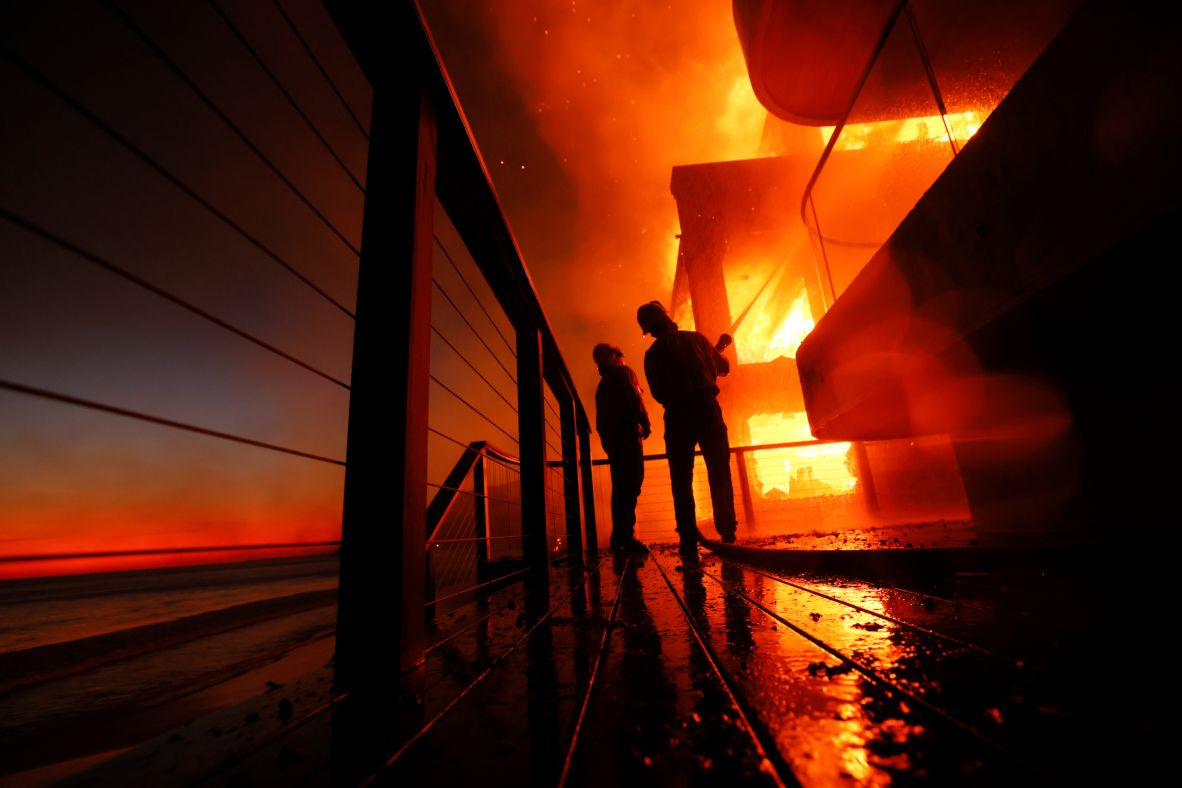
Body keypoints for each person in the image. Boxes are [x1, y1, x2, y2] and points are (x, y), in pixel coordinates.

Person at [636, 301, 737, 555]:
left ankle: (688, 538)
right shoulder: (696, 339)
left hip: (677, 415)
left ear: (651, 331)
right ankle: (727, 532)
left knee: (681, 478)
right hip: (706, 408)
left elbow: (657, 391)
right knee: (718, 469)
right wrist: (716, 356)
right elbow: (722, 367)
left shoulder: (652, 355)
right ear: (668, 320)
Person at [592, 342, 652, 554]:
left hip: (614, 442)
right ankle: (627, 536)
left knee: (620, 487)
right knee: (633, 483)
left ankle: (619, 535)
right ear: (613, 356)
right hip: (628, 436)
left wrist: (608, 443)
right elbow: (634, 397)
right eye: (619, 353)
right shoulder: (624, 372)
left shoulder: (602, 386)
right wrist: (645, 422)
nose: (622, 356)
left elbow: (600, 421)